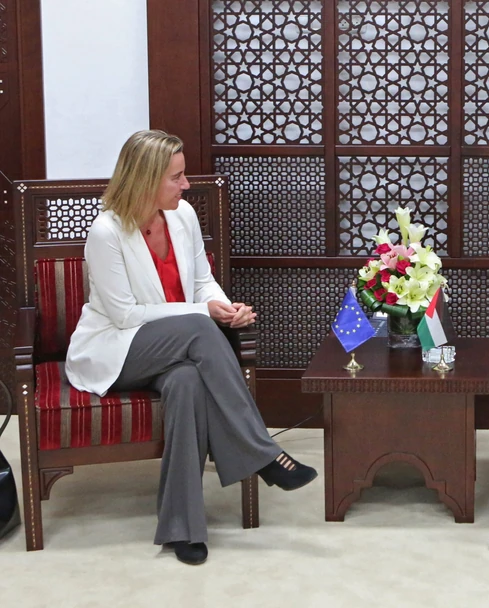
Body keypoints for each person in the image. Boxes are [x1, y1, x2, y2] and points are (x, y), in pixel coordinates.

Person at [66, 130, 317, 565]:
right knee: (201, 329)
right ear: (145, 179)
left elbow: (202, 281)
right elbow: (124, 315)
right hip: (117, 349)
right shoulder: (106, 231)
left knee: (186, 383)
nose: (185, 184)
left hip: (175, 349)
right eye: (175, 177)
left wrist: (223, 306)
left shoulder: (182, 216)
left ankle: (182, 528)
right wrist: (204, 313)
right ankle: (262, 452)